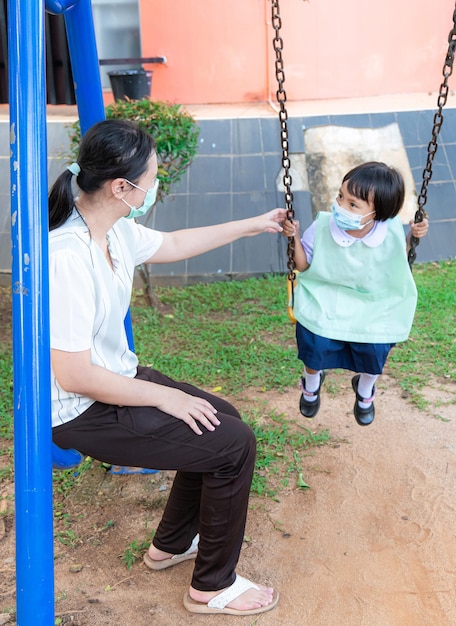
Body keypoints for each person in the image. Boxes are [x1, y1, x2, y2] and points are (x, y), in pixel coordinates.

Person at [49, 119, 285, 616]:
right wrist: (166, 396)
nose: (155, 186)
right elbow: (73, 376)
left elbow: (174, 244)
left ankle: (172, 544)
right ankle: (211, 588)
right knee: (231, 445)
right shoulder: (66, 256)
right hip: (81, 407)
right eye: (151, 178)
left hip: (117, 380)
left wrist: (255, 223)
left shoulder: (114, 230)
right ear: (121, 187)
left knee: (223, 416)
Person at [282, 161, 429, 426]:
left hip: (374, 302)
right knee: (314, 342)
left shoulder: (391, 230)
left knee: (375, 348)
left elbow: (399, 258)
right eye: (341, 197)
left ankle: (364, 391)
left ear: (378, 213)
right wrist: (293, 238)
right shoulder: (324, 226)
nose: (340, 206)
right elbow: (302, 265)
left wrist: (412, 238)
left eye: (353, 205)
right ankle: (312, 382)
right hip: (326, 296)